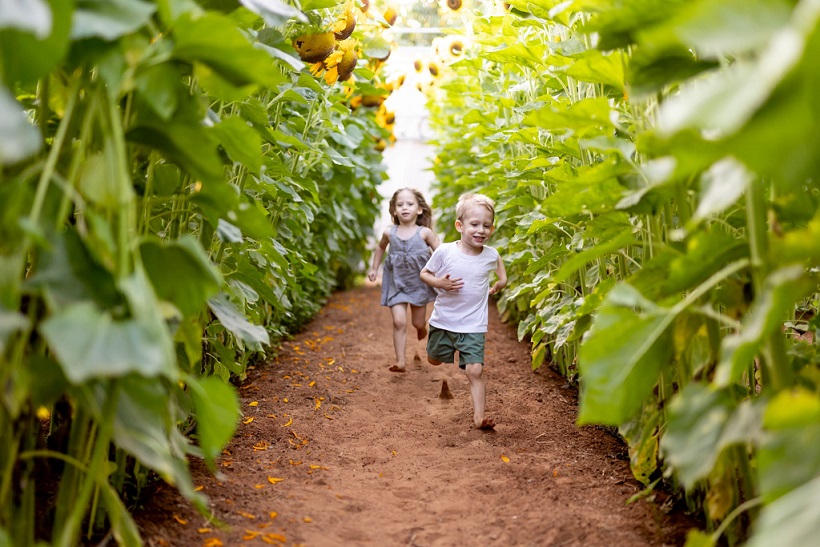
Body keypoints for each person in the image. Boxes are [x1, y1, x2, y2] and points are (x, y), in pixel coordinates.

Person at [420, 193, 507, 430]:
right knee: (434, 359)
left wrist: (501, 283)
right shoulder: (446, 252)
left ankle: (479, 418)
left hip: (473, 326)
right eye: (474, 225)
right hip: (444, 322)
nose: (481, 230)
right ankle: (434, 352)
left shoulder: (490, 254)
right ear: (460, 225)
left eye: (486, 226)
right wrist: (440, 283)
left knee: (475, 370)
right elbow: (424, 274)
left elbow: (499, 267)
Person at [368, 188, 440, 372]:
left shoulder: (425, 233)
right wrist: (374, 268)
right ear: (393, 210)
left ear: (419, 209)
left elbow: (441, 254)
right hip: (396, 283)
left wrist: (442, 274)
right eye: (400, 204)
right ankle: (400, 361)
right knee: (399, 322)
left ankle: (421, 327)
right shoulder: (389, 233)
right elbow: (379, 249)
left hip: (418, 284)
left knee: (417, 322)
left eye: (410, 204)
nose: (404, 207)